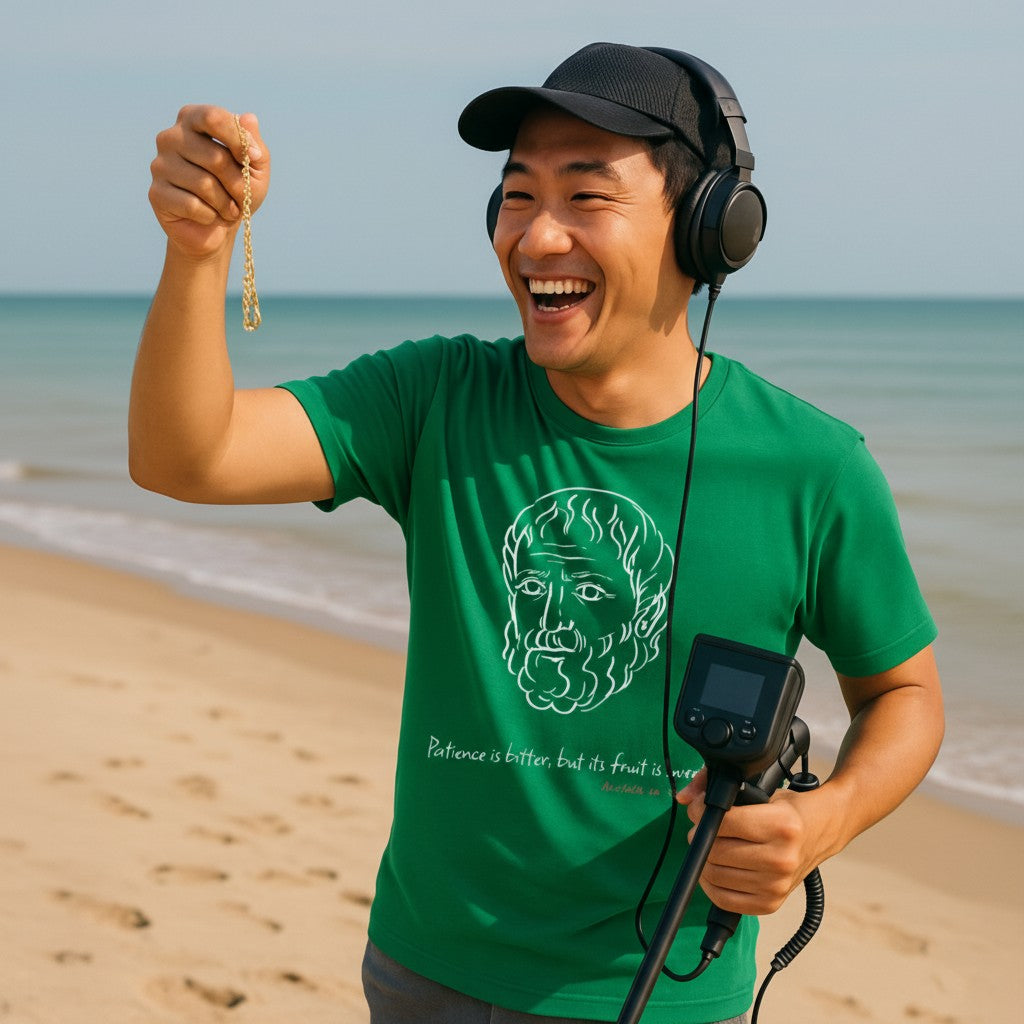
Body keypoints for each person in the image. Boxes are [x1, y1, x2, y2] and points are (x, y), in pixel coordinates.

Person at [131, 41, 944, 1024]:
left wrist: (823, 820)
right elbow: (188, 456)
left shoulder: (813, 468)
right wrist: (196, 251)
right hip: (424, 967)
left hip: (664, 996)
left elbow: (902, 694)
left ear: (706, 230)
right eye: (517, 196)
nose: (536, 236)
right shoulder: (435, 398)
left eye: (586, 196)